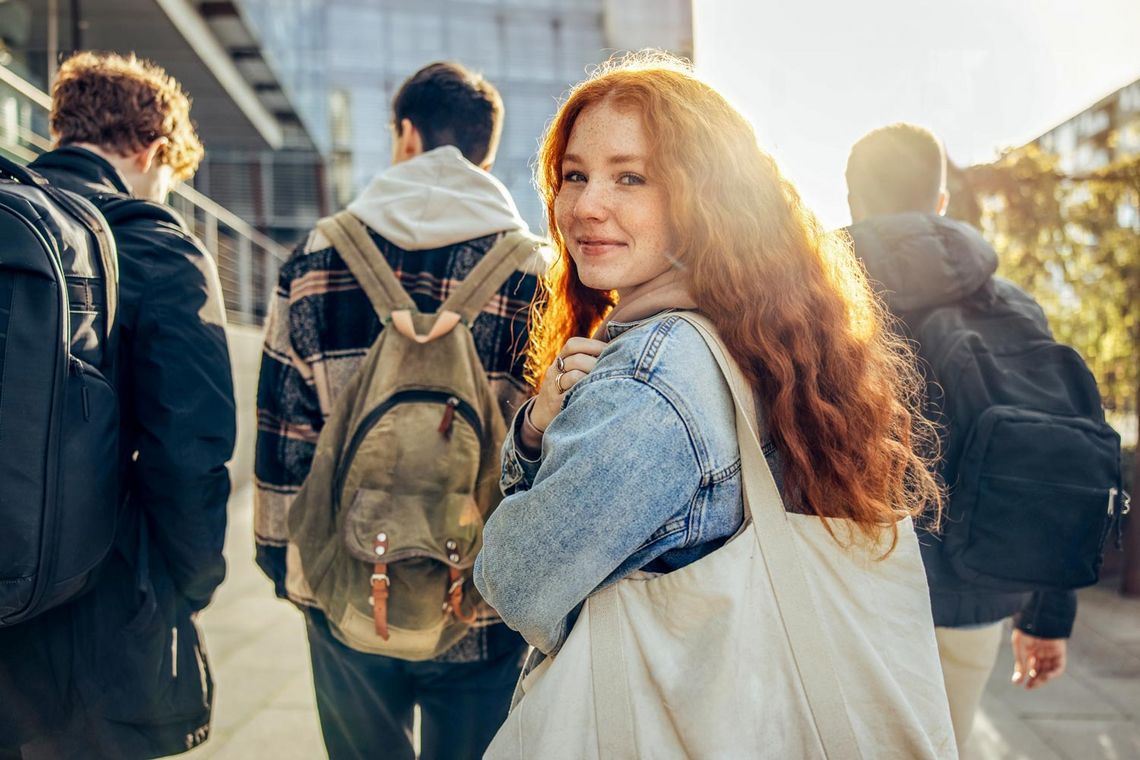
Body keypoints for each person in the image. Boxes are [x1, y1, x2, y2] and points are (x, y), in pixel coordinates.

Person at [473, 53, 954, 757]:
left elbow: (516, 581)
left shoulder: (650, 377)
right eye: (574, 175)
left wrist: (533, 436)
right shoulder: (757, 333)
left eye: (630, 177)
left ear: (706, 197)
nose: (584, 206)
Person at [254, 62, 547, 760]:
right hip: (478, 597)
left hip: (346, 583)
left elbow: (282, 429)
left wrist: (285, 566)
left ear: (406, 135)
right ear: (485, 150)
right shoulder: (534, 271)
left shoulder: (318, 256)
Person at [0, 52, 235, 757]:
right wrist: (190, 585)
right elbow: (190, 450)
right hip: (98, 618)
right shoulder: (158, 244)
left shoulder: (14, 224)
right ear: (156, 149)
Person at [845, 123, 1076, 752]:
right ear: (940, 204)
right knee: (950, 741)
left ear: (852, 202)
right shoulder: (1014, 305)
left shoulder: (816, 300)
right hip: (977, 587)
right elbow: (1055, 453)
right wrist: (1047, 614)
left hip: (846, 584)